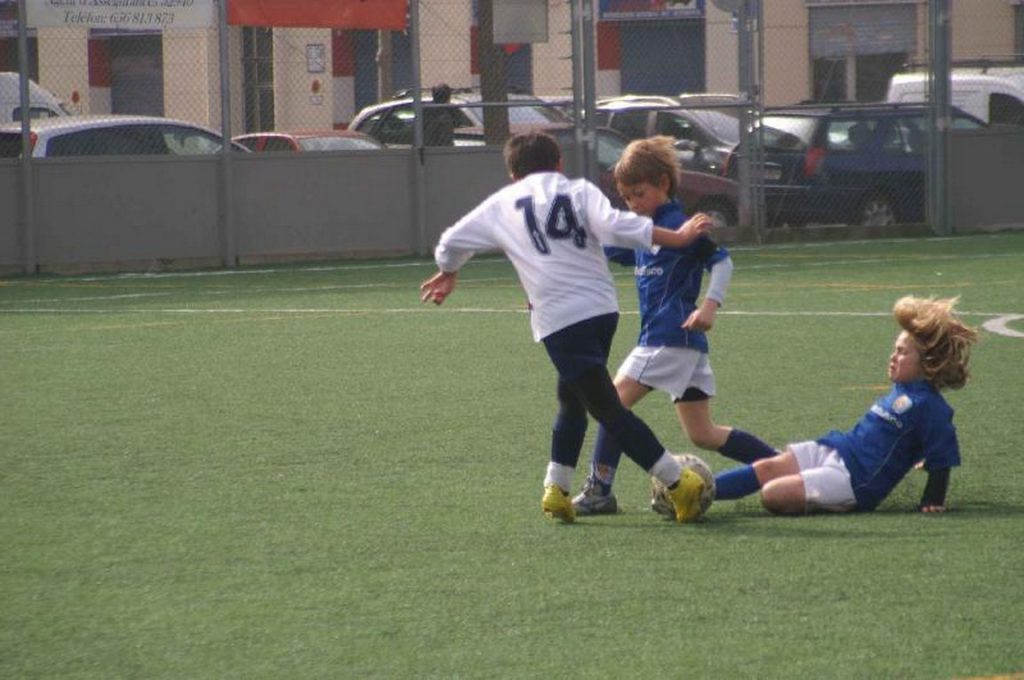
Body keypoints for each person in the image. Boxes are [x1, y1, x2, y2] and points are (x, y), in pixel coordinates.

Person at [420, 131, 715, 523]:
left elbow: (451, 242)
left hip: (560, 319)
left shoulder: (501, 204)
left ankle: (679, 483)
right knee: (572, 398)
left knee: (607, 408)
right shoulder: (580, 190)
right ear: (559, 163)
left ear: (513, 175)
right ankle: (556, 489)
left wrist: (448, 271)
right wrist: (675, 237)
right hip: (602, 311)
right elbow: (616, 225)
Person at [571, 136, 776, 516]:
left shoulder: (681, 225)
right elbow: (604, 250)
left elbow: (722, 262)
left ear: (664, 184)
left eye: (639, 193)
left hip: (670, 336)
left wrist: (710, 306)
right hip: (680, 343)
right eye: (626, 197)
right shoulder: (643, 229)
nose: (632, 203)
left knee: (609, 402)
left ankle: (600, 489)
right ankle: (782, 466)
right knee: (703, 434)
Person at [713, 295, 979, 515]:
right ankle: (696, 492)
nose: (892, 357)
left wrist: (933, 498)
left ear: (927, 361)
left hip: (854, 481)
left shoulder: (930, 405)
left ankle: (836, 501)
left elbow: (942, 453)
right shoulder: (904, 389)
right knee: (766, 468)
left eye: (901, 352)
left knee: (772, 494)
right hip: (838, 448)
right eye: (894, 349)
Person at [423, 83, 455, 147]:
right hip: (439, 150)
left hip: (426, 147)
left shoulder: (425, 111)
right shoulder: (445, 116)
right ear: (448, 97)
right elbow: (446, 140)